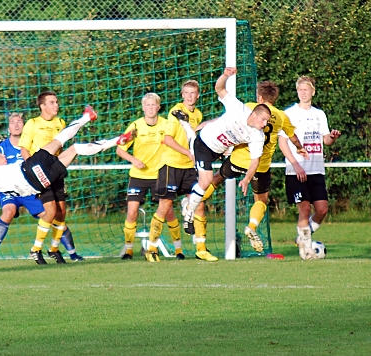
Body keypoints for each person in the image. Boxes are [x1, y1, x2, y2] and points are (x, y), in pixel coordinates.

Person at [0, 107, 132, 265]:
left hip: (40, 181)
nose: (2, 156)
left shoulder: (2, 168)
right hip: (31, 171)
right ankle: (90, 119)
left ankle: (116, 139)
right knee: (61, 139)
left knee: (74, 149)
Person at [213, 80, 308, 254]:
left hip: (238, 159)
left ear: (260, 97)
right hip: (260, 166)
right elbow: (292, 137)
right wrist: (300, 148)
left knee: (216, 178)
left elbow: (228, 121)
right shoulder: (281, 116)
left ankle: (194, 202)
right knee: (261, 201)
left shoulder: (250, 107)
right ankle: (251, 225)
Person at [180, 68, 272, 241]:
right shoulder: (239, 109)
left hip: (218, 152)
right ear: (254, 115)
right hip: (204, 144)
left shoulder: (257, 135)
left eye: (267, 121)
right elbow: (219, 89)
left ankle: (189, 206)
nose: (264, 124)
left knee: (207, 181)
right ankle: (189, 213)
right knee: (206, 181)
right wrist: (225, 75)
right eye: (263, 120)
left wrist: (246, 179)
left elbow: (255, 162)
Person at [0, 112, 83, 262]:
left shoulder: (30, 144)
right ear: (8, 128)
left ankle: (71, 253)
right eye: (12, 122)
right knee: (9, 211)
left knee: (53, 215)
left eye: (19, 122)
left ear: (25, 126)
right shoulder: (0, 150)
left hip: (30, 189)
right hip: (11, 192)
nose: (16, 125)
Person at [278, 76, 341, 260]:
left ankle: (303, 237)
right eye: (300, 90)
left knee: (322, 209)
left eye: (306, 89)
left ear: (313, 91)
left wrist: (333, 137)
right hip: (296, 170)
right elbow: (282, 142)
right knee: (304, 208)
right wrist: (296, 165)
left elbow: (326, 140)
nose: (303, 93)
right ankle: (306, 251)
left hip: (316, 169)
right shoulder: (289, 114)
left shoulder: (319, 114)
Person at [18, 91, 82, 263]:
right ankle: (36, 249)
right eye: (52, 102)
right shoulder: (32, 123)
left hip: (56, 171)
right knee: (51, 211)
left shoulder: (60, 123)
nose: (56, 105)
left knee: (61, 213)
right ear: (42, 106)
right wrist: (33, 169)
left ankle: (53, 249)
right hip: (40, 175)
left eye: (57, 102)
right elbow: (24, 148)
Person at [116, 93, 179, 261]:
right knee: (132, 212)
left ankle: (177, 249)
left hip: (160, 174)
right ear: (143, 107)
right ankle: (129, 250)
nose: (151, 108)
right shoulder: (135, 126)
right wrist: (133, 160)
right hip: (139, 175)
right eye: (148, 105)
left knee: (168, 211)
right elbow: (119, 149)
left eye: (154, 105)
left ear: (159, 107)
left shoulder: (167, 125)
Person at [148, 80, 202, 261]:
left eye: (192, 93)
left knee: (199, 203)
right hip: (171, 165)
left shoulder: (198, 115)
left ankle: (201, 248)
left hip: (189, 167)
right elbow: (168, 139)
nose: (189, 96)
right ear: (182, 94)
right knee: (165, 206)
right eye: (186, 93)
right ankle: (151, 248)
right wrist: (188, 152)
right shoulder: (176, 112)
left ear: (198, 95)